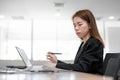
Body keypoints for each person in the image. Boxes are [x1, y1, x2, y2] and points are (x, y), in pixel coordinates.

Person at [46, 9, 104, 75]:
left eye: (80, 24)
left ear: (90, 25)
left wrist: (56, 65)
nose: (76, 28)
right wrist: (57, 62)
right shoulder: (83, 43)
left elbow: (82, 68)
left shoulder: (94, 42)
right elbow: (77, 66)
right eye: (74, 25)